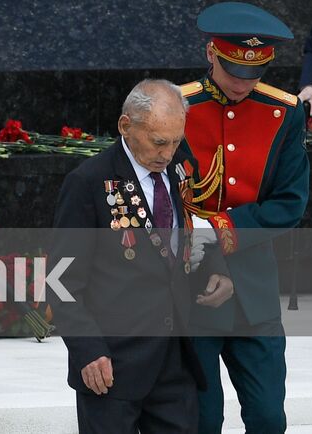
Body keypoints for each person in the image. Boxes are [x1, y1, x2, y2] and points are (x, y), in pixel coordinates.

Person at [52, 79, 233, 433]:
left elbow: (194, 224)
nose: (167, 153)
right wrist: (87, 350)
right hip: (111, 366)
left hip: (175, 363)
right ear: (126, 126)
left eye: (176, 141)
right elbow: (61, 281)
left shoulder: (181, 166)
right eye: (158, 141)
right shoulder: (89, 183)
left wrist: (215, 266)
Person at [183, 2, 311, 434]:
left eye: (253, 75)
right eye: (233, 71)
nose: (242, 84)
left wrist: (221, 230)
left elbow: (289, 203)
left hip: (254, 287)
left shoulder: (286, 112)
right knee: (200, 419)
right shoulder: (175, 107)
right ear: (210, 55)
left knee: (268, 417)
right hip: (188, 285)